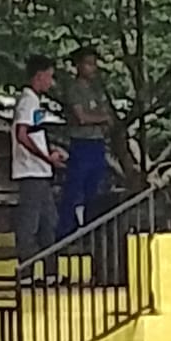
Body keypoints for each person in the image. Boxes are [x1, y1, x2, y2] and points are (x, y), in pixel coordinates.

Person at [12, 56, 67, 271]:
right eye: (49, 77)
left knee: (49, 221)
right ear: (39, 76)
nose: (51, 82)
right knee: (30, 223)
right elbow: (22, 134)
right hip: (31, 171)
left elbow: (34, 134)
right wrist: (46, 158)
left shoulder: (35, 101)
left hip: (40, 171)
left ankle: (50, 270)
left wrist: (49, 153)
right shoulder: (28, 101)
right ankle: (26, 271)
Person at [60, 46, 113, 238]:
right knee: (75, 188)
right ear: (79, 65)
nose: (93, 68)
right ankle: (66, 231)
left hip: (97, 142)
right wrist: (102, 118)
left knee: (95, 189)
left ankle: (92, 229)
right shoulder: (74, 88)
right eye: (89, 64)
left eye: (94, 64)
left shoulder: (95, 90)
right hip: (82, 143)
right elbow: (81, 117)